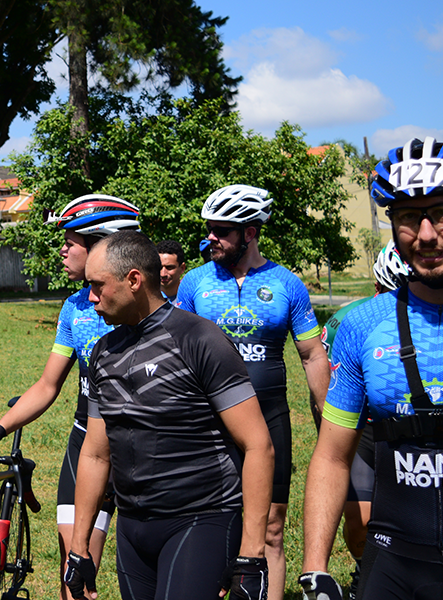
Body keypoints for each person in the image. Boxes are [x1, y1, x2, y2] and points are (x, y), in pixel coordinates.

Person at [300, 137, 443, 600]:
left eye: (441, 213)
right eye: (406, 217)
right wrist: (315, 568)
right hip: (393, 567)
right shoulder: (363, 325)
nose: (425, 235)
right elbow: (331, 455)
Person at [66, 230, 273, 600]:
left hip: (199, 520)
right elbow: (96, 454)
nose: (91, 297)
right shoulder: (103, 352)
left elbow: (258, 446)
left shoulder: (200, 339)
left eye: (98, 285)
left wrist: (252, 554)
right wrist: (79, 547)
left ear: (133, 280)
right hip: (132, 529)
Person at [0, 193, 141, 600]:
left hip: (143, 448)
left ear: (101, 244)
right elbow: (48, 385)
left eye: (70, 242)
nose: (62, 250)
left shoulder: (151, 310)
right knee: (74, 574)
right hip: (87, 443)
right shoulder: (74, 308)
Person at [176, 183, 330, 594]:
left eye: (222, 231)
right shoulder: (194, 283)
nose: (211, 237)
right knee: (210, 519)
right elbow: (175, 348)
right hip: (208, 418)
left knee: (272, 527)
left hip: (269, 413)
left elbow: (312, 355)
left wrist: (329, 421)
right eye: (209, 228)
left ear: (250, 233)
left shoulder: (287, 284)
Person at [318, 240, 410, 599]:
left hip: (410, 427)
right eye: (387, 292)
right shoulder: (348, 320)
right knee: (359, 523)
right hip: (365, 429)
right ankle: (365, 567)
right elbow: (328, 383)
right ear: (376, 286)